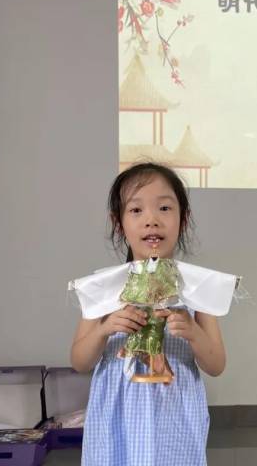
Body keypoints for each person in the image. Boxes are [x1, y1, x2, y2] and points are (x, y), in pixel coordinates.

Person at [70, 162, 226, 465]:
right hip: (117, 417)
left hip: (175, 417)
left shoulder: (197, 286)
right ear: (118, 223)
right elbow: (79, 361)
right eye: (136, 210)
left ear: (183, 219)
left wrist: (194, 333)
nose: (151, 220)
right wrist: (103, 330)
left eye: (164, 208)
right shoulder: (104, 286)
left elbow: (216, 364)